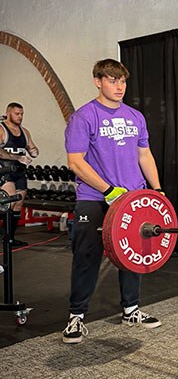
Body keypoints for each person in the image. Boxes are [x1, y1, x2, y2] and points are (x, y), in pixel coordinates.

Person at [62, 59, 163, 344]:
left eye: (123, 81)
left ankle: (131, 309)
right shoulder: (84, 117)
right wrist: (107, 190)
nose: (119, 87)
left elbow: (145, 155)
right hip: (94, 198)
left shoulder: (135, 116)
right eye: (112, 80)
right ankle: (76, 317)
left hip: (132, 197)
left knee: (132, 253)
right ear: (97, 81)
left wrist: (156, 189)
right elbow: (75, 162)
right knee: (87, 256)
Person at [0, 102, 40, 246]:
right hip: (5, 171)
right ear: (9, 113)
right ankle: (4, 236)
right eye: (17, 114)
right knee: (9, 203)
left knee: (18, 204)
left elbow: (31, 147)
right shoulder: (1, 129)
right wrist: (18, 157)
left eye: (22, 114)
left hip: (20, 172)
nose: (20, 117)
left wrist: (34, 152)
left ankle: (10, 238)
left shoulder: (24, 132)